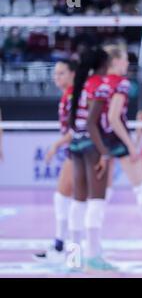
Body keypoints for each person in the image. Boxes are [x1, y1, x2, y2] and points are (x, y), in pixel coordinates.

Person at [88, 44, 142, 256]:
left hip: (98, 140)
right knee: (140, 187)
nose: (127, 64)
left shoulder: (97, 81)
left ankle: (93, 246)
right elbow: (114, 117)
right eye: (124, 60)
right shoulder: (121, 84)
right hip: (117, 139)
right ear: (114, 61)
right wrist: (131, 145)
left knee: (101, 193)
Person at [67, 47, 117, 272]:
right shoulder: (101, 86)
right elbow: (91, 123)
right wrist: (104, 153)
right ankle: (92, 257)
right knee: (96, 202)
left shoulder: (81, 84)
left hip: (76, 143)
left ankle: (74, 259)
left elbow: (76, 121)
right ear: (104, 64)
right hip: (93, 144)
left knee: (78, 202)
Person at [33, 59, 76, 264]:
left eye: (61, 73)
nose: (56, 77)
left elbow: (78, 128)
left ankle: (64, 249)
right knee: (67, 198)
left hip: (79, 151)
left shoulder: (73, 95)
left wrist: (55, 146)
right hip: (75, 152)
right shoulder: (68, 95)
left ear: (72, 74)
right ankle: (63, 246)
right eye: (55, 73)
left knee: (67, 199)